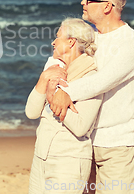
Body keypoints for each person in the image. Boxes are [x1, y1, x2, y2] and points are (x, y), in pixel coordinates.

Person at [47, 0, 134, 194]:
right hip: (82, 141)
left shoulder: (131, 42)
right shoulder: (90, 38)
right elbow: (63, 62)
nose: (83, 1)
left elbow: (102, 81)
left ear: (107, 6)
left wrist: (65, 92)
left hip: (117, 143)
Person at [25, 18, 102, 194]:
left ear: (71, 42)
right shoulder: (54, 71)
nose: (53, 42)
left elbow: (81, 126)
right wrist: (43, 79)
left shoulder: (91, 77)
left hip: (69, 160)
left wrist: (52, 100)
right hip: (41, 156)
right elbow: (31, 112)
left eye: (57, 37)